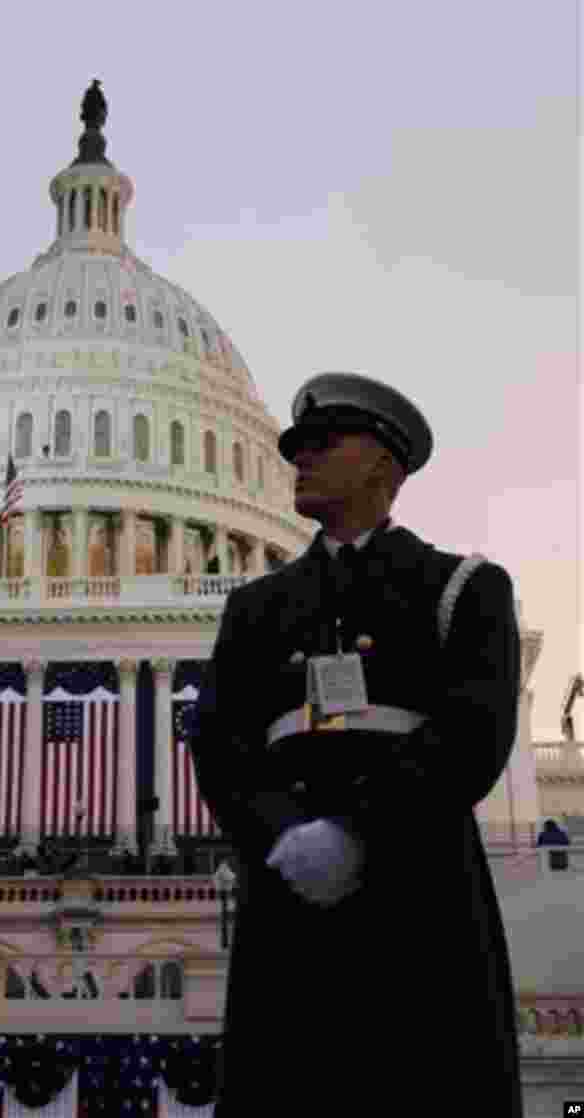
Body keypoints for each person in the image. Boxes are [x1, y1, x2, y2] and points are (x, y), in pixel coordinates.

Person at [191, 372, 523, 1117]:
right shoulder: (257, 608)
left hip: (420, 888)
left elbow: (474, 733)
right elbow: (218, 742)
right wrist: (282, 834)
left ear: (383, 464)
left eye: (322, 443)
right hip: (290, 894)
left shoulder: (461, 589)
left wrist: (360, 829)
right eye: (298, 445)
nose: (299, 458)